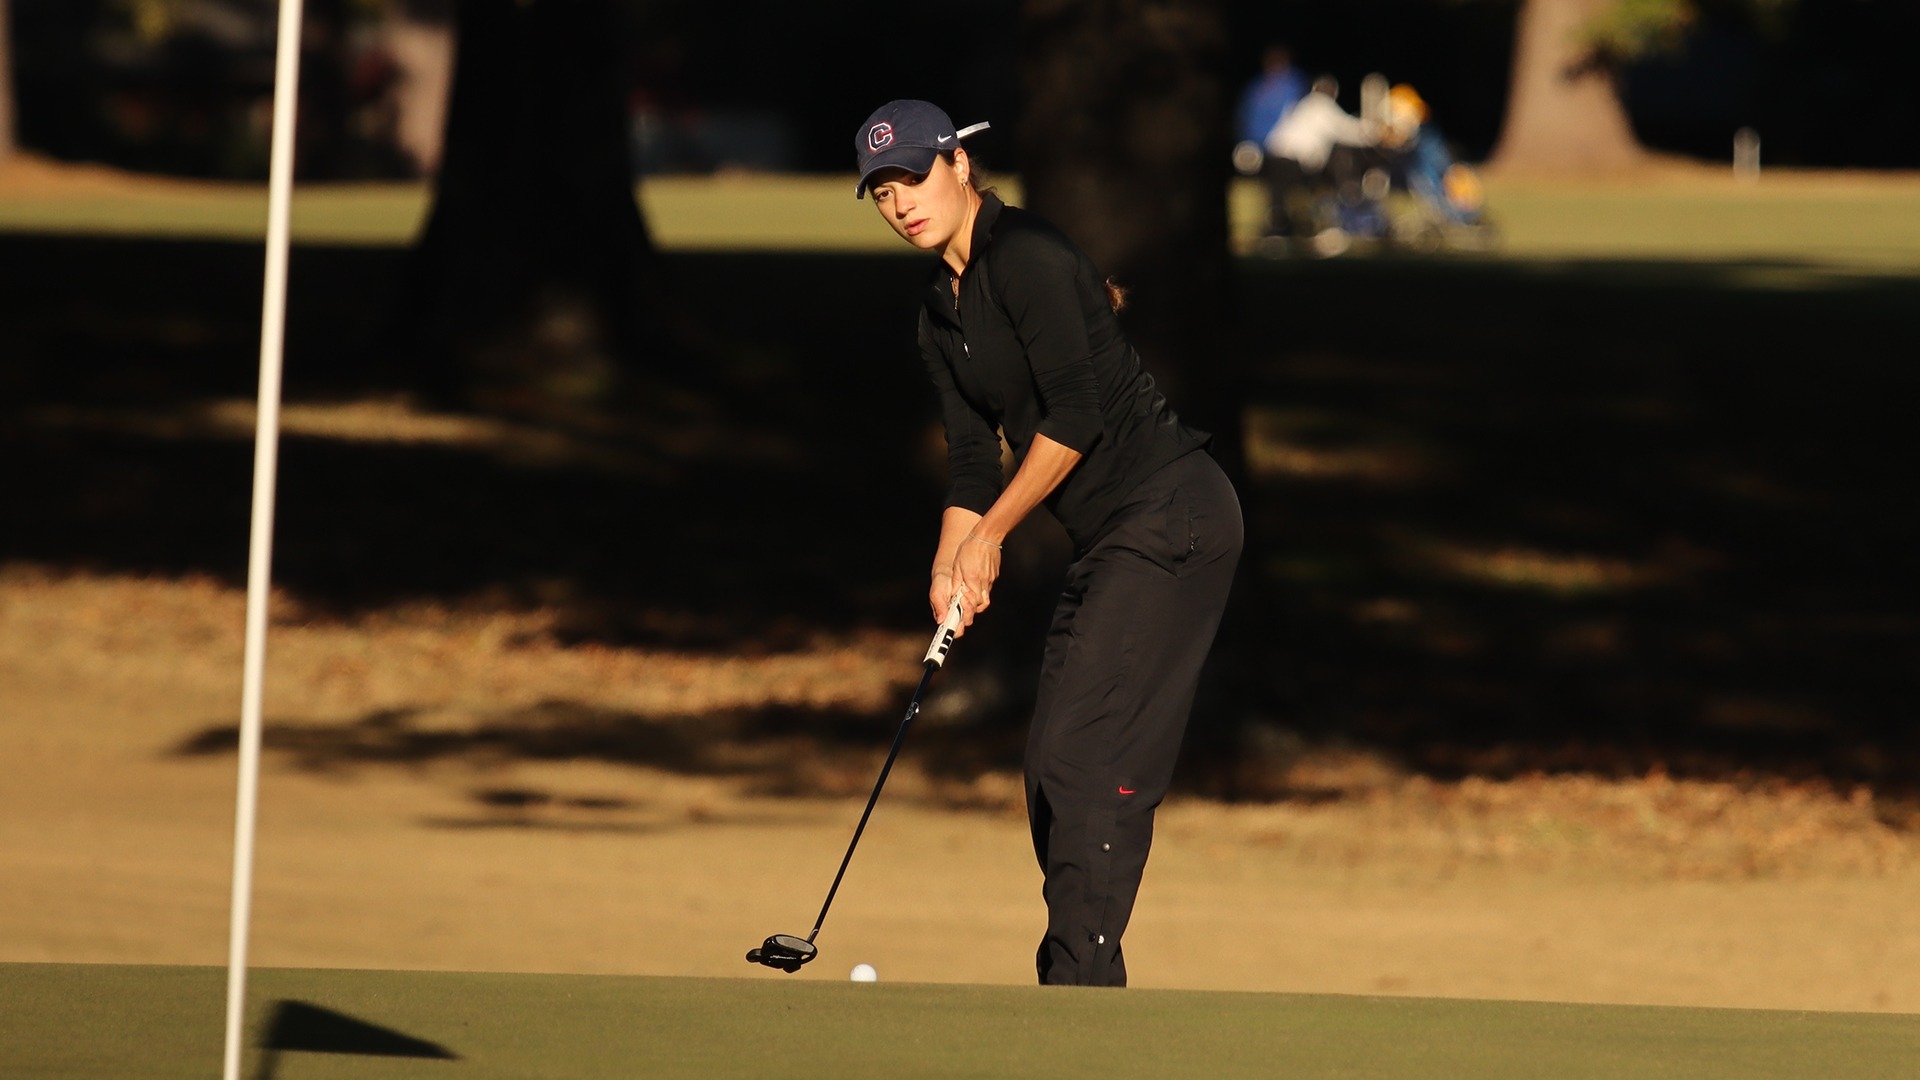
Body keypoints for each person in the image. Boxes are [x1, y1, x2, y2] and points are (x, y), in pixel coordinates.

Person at [852, 100, 1244, 987]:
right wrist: (951, 563)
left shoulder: (1026, 257)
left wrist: (991, 539)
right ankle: (1081, 976)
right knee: (1049, 765)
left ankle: (1078, 988)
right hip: (1113, 537)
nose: (903, 202)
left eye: (914, 177)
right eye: (882, 192)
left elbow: (1076, 417)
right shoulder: (938, 311)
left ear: (959, 166)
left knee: (1088, 757)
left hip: (1174, 514)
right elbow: (968, 461)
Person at [1263, 76, 1379, 251]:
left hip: (1273, 155)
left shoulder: (1301, 105)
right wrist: (1376, 132)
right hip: (1293, 160)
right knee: (1319, 188)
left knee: (1278, 198)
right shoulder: (1322, 106)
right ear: (1332, 92)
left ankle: (1278, 234)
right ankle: (1322, 226)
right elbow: (1347, 131)